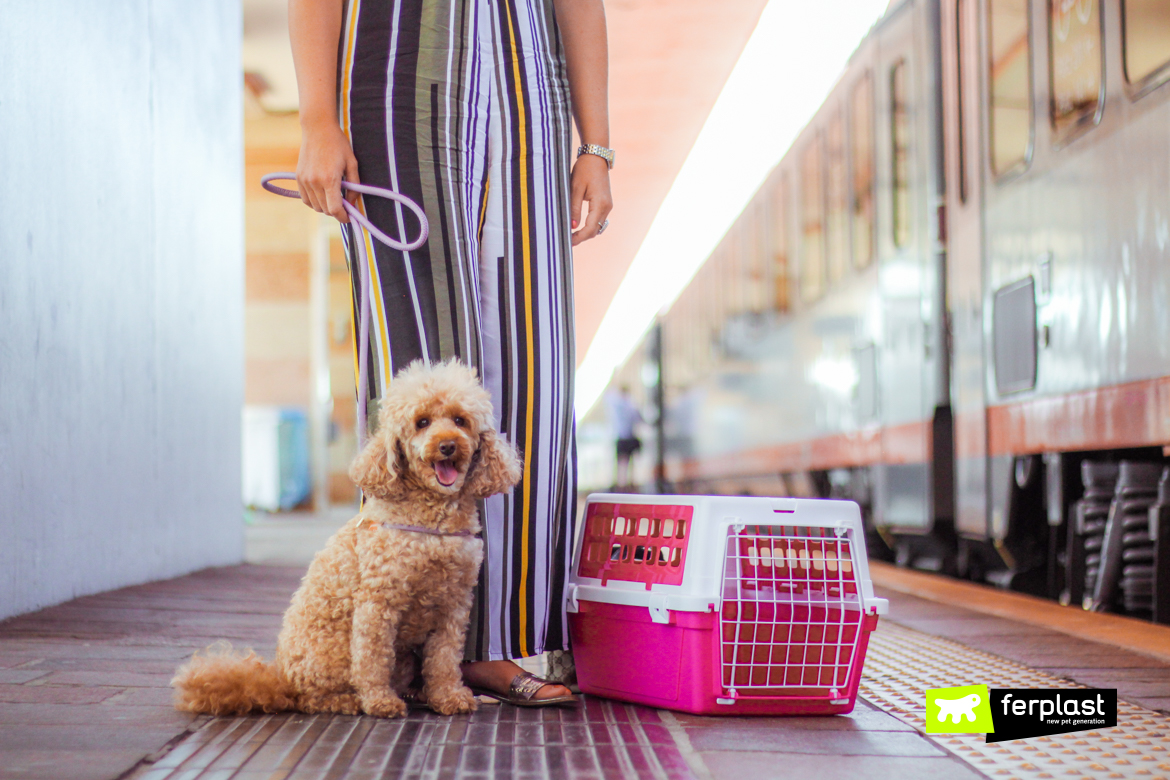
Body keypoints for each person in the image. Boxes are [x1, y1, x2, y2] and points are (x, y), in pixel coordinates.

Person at [288, 0, 612, 704]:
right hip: (396, 85)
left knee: (539, 373)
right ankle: (404, 643)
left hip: (532, 98)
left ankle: (506, 639)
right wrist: (317, 120)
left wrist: (597, 144)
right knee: (418, 359)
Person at [605, 385, 642, 490]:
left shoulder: (620, 404)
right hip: (626, 436)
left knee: (623, 462)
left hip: (624, 436)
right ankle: (625, 483)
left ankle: (622, 483)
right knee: (626, 462)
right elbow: (638, 418)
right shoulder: (629, 404)